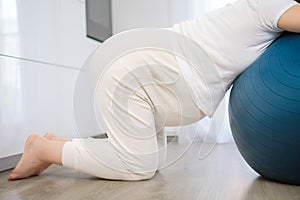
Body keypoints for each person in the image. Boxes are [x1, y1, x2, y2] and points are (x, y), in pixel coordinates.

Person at [8, 0, 300, 181]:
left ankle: (62, 143)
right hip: (141, 69)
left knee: (151, 158)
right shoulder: (272, 4)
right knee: (139, 167)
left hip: (153, 73)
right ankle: (45, 149)